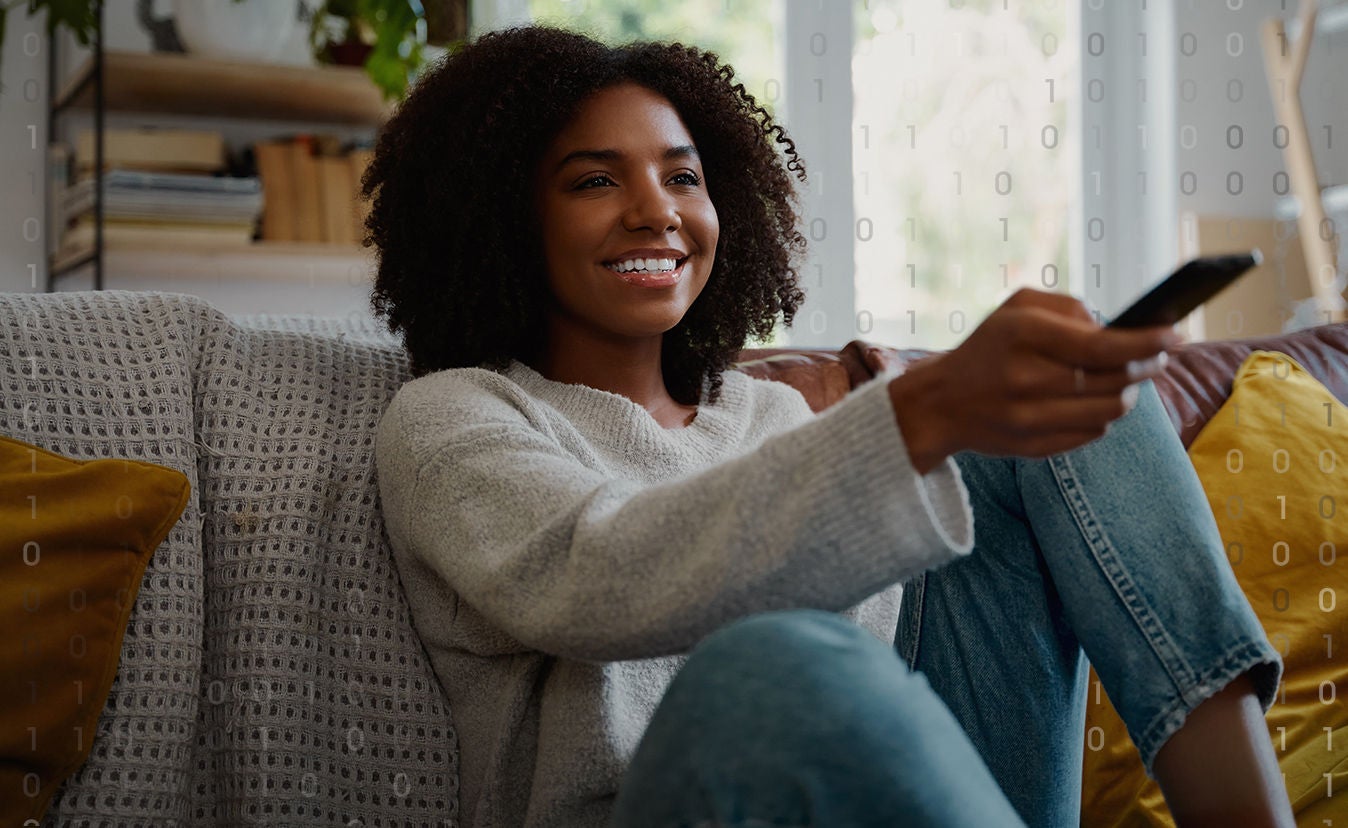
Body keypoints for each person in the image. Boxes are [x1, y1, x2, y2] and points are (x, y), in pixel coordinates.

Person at [366, 25, 1295, 828]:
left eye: (683, 176)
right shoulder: (456, 417)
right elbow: (604, 576)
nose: (657, 211)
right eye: (594, 180)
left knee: (1092, 409)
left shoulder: (768, 413)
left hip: (897, 779)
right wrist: (918, 411)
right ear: (499, 218)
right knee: (779, 654)